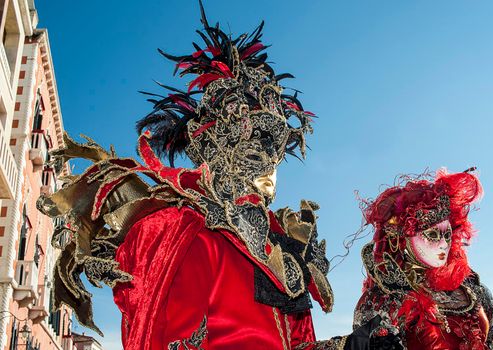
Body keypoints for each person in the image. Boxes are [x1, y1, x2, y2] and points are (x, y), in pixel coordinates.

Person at [38, 3, 403, 350]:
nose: (268, 164)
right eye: (253, 146)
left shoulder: (283, 257)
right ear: (217, 150)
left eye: (273, 151)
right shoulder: (191, 238)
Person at [353, 169, 493, 349]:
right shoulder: (383, 300)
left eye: (447, 235)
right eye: (432, 234)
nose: (443, 244)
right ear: (399, 239)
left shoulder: (474, 290)